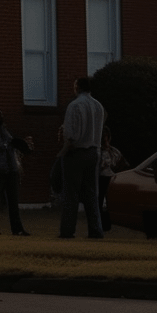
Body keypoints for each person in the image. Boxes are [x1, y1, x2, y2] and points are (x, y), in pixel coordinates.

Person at [58, 77, 105, 239]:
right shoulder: (98, 106)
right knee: (91, 194)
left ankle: (67, 230)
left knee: (71, 194)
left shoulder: (75, 105)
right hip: (94, 151)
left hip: (76, 152)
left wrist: (63, 151)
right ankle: (96, 230)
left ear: (77, 87)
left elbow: (71, 135)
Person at [0, 107, 32, 236]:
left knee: (13, 201)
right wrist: (6, 144)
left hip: (10, 170)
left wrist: (20, 145)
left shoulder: (4, 132)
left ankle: (17, 229)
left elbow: (11, 146)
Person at [98, 126, 128, 232]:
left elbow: (123, 164)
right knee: (100, 202)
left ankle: (106, 224)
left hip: (111, 179)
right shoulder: (98, 152)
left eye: (106, 136)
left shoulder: (114, 151)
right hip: (101, 179)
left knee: (107, 203)